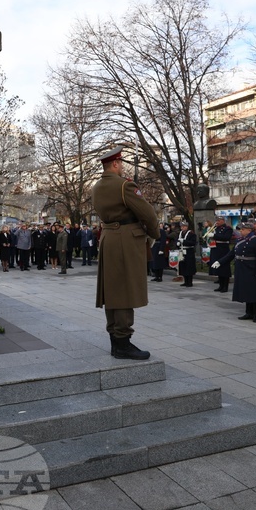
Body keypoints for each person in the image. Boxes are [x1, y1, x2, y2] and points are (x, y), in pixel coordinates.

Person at [92, 147, 160, 360]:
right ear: (115, 164)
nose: (122, 167)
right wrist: (153, 234)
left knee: (112, 291)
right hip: (125, 240)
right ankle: (123, 343)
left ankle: (116, 339)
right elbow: (148, 214)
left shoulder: (96, 187)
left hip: (108, 238)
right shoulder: (124, 185)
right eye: (120, 163)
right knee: (124, 291)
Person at [211, 221, 256, 322]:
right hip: (241, 269)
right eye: (240, 229)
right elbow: (231, 254)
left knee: (254, 292)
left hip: (252, 269)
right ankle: (248, 312)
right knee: (246, 291)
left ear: (249, 230)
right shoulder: (239, 240)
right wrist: (219, 262)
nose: (240, 231)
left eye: (242, 229)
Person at [209, 216, 233, 292]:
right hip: (215, 249)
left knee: (224, 269)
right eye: (216, 220)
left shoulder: (228, 228)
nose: (217, 222)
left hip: (223, 250)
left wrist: (214, 236)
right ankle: (220, 285)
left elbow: (226, 237)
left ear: (223, 221)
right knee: (218, 268)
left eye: (219, 220)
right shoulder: (215, 228)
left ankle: (225, 286)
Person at [175, 220, 197, 287]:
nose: (182, 228)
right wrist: (177, 243)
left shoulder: (191, 234)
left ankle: (190, 282)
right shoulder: (180, 233)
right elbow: (176, 240)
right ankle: (185, 281)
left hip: (189, 251)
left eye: (184, 226)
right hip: (182, 251)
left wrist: (184, 241)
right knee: (183, 266)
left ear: (187, 227)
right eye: (181, 226)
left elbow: (193, 243)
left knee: (189, 267)